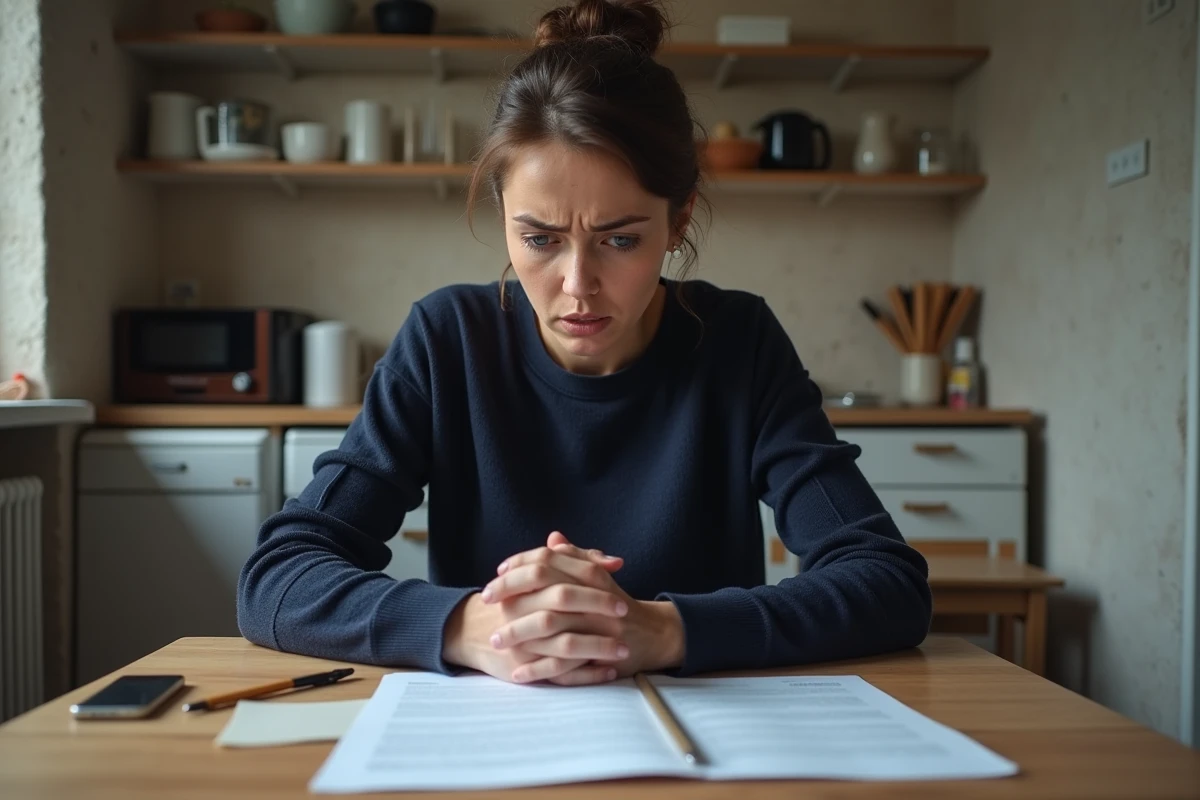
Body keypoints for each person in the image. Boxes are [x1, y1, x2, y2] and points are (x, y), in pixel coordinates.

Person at [237, 0, 931, 687]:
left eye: (620, 239)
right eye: (539, 239)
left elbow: (886, 581)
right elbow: (279, 577)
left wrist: (661, 629)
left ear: (679, 217)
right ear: (502, 213)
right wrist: (471, 627)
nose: (577, 286)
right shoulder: (446, 340)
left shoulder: (737, 342)